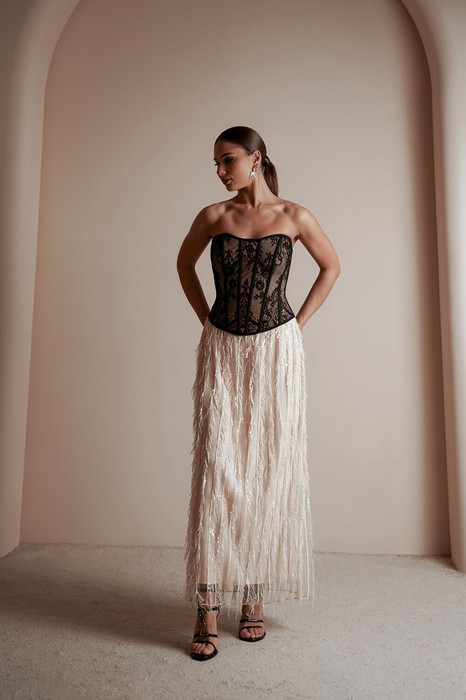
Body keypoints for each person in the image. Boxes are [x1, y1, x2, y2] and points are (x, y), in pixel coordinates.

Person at [176, 126, 340, 661]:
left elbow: (331, 267)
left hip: (276, 351)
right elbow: (183, 265)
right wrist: (207, 321)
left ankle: (252, 595)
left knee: (267, 465)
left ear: (256, 158)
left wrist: (295, 327)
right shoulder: (213, 217)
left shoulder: (295, 216)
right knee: (218, 466)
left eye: (228, 160)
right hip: (223, 349)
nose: (221, 171)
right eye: (216, 163)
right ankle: (206, 606)